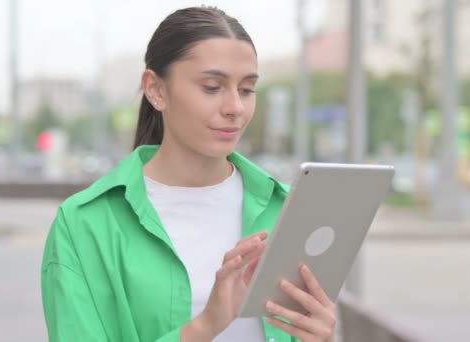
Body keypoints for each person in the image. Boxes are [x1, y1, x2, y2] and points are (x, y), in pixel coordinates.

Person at [41, 6, 336, 342]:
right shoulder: (85, 224)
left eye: (247, 89)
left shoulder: (286, 210)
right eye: (212, 87)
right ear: (156, 89)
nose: (235, 107)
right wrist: (203, 327)